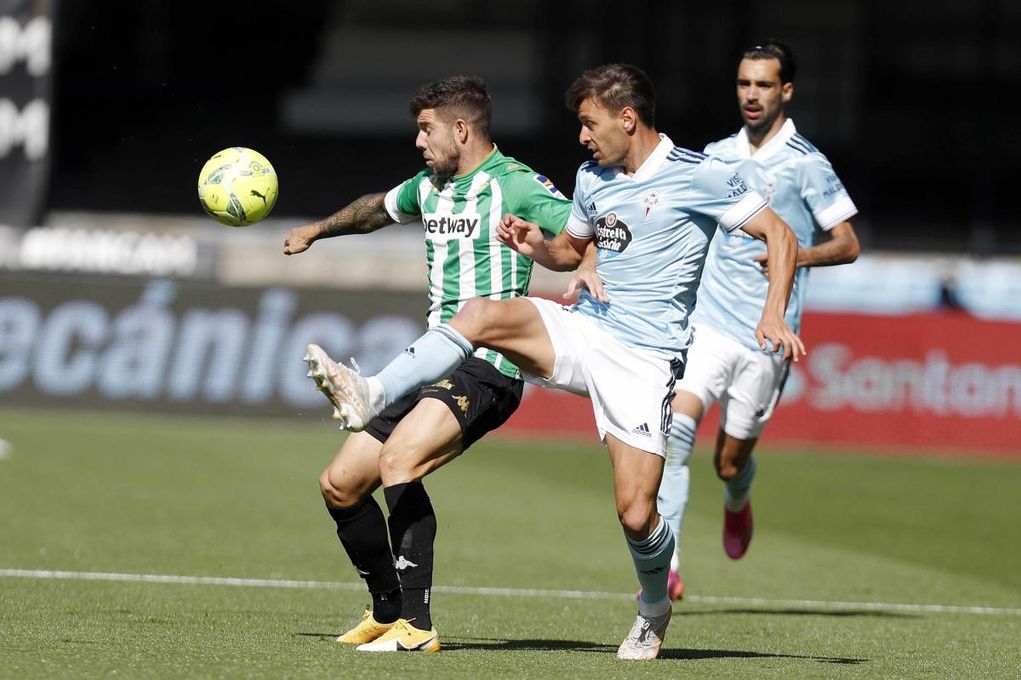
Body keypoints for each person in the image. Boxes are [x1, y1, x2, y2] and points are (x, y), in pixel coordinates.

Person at [304, 63, 805, 660]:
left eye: (590, 123)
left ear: (627, 118)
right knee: (481, 313)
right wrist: (534, 245)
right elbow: (570, 250)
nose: (582, 137)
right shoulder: (593, 177)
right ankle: (374, 392)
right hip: (585, 329)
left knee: (636, 512)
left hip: (644, 359)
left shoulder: (700, 175)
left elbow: (781, 237)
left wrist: (773, 314)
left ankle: (653, 607)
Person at [284, 75, 573, 653]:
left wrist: (581, 266)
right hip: (432, 362)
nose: (418, 141)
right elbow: (375, 210)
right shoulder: (429, 187)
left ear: (460, 129)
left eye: (426, 129)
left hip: (489, 367)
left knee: (399, 460)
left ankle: (417, 627)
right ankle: (387, 611)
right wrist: (317, 230)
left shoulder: (515, 183)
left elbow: (575, 236)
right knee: (340, 486)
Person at [653, 40, 860, 597]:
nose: (751, 93)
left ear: (785, 91)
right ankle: (667, 562)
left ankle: (737, 496)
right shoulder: (715, 155)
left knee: (728, 461)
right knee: (675, 434)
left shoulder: (806, 163)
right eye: (744, 83)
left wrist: (795, 256)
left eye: (763, 84)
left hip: (768, 336)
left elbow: (847, 243)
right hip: (707, 323)